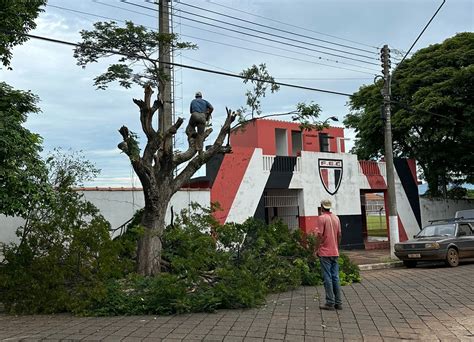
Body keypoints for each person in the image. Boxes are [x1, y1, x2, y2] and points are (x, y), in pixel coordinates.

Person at [315, 199, 342, 311]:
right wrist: (336, 246)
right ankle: (338, 303)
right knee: (335, 277)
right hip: (335, 251)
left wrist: (316, 249)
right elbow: (339, 235)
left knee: (327, 277)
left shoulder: (321, 218)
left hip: (325, 252)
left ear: (322, 207)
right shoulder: (336, 218)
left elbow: (319, 236)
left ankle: (330, 302)